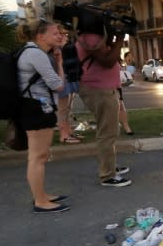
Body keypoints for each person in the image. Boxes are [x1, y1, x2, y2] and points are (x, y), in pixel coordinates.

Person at [16, 20, 69, 213]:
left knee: (40, 155)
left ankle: (42, 195)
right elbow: (58, 85)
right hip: (36, 109)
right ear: (41, 36)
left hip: (36, 107)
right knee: (37, 157)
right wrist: (60, 64)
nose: (59, 35)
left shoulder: (34, 52)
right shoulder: (35, 54)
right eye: (55, 33)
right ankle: (40, 201)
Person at [76, 22, 131, 187]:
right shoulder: (90, 37)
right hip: (99, 89)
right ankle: (107, 175)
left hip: (106, 88)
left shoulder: (97, 37)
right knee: (107, 132)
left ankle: (110, 166)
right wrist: (120, 38)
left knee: (112, 130)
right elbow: (107, 61)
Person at [56, 29, 82, 144]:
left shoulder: (63, 47)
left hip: (66, 78)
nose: (64, 36)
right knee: (62, 109)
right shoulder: (56, 49)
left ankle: (68, 131)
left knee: (66, 109)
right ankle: (63, 134)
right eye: (61, 33)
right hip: (62, 79)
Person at [118, 52, 134, 136]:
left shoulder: (118, 62)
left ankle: (126, 127)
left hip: (117, 86)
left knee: (121, 106)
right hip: (108, 86)